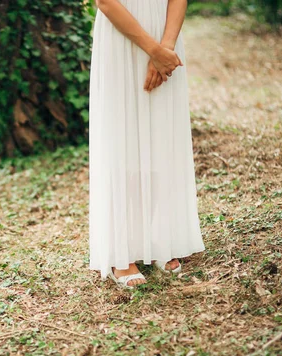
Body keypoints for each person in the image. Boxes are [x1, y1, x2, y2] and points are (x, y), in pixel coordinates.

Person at [89, 0, 206, 288]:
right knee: (122, 138)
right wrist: (153, 50)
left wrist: (166, 48)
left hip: (166, 33)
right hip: (121, 38)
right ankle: (121, 252)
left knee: (160, 134)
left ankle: (156, 240)